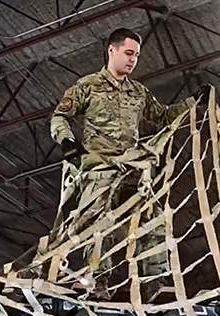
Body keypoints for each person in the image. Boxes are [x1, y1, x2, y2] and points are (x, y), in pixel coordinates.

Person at [49, 27, 209, 300]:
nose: (133, 59)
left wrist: (194, 102)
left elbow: (162, 117)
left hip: (132, 170)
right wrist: (67, 142)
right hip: (100, 168)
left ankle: (153, 284)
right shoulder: (88, 86)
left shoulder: (138, 92)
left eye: (136, 55)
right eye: (128, 53)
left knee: (153, 220)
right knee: (99, 225)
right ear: (112, 50)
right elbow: (60, 116)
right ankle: (98, 281)